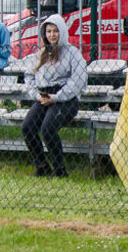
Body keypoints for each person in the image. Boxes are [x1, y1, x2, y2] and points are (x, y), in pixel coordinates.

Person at [21, 15, 87, 178]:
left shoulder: (73, 53)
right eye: (49, 31)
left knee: (48, 128)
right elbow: (29, 76)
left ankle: (59, 170)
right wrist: (37, 95)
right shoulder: (41, 54)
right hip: (44, 97)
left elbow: (78, 79)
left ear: (62, 32)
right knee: (28, 127)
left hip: (66, 99)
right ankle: (42, 166)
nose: (52, 35)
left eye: (55, 31)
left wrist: (57, 97)